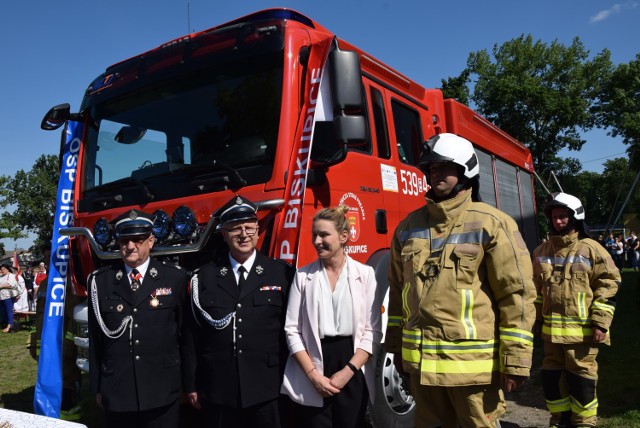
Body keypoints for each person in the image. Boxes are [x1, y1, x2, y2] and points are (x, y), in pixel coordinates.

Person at [385, 133, 536, 428]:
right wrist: (395, 349)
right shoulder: (407, 227)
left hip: (472, 371)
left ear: (465, 170)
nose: (435, 172)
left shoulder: (492, 223)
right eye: (431, 167)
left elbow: (516, 295)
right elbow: (397, 293)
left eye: (443, 166)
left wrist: (516, 360)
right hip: (422, 368)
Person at [182, 195, 294, 428]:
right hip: (220, 388)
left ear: (258, 230)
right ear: (224, 234)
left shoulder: (281, 274)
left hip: (268, 386)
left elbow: (291, 331)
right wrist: (192, 384)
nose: (244, 234)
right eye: (235, 229)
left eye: (249, 227)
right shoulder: (203, 278)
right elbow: (192, 336)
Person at [281, 206, 382, 428]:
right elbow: (292, 330)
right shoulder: (302, 276)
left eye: (324, 234)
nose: (317, 241)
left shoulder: (365, 275)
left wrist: (348, 372)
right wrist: (313, 375)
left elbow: (372, 331)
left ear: (343, 236)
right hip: (314, 362)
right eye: (314, 235)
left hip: (351, 362)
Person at [87, 209, 189, 428]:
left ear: (151, 241)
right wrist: (97, 387)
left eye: (138, 240)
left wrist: (189, 384)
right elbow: (96, 340)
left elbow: (185, 336)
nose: (130, 246)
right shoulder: (100, 281)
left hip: (162, 387)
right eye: (124, 240)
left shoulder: (176, 277)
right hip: (118, 389)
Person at [532, 193, 620, 428]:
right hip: (551, 335)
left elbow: (608, 285)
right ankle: (559, 421)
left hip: (583, 335)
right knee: (552, 380)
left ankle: (584, 423)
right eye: (554, 217)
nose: (558, 222)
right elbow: (537, 290)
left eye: (562, 217)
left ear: (575, 217)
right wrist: (535, 321)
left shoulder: (592, 249)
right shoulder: (541, 251)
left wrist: (600, 322)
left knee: (581, 381)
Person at [0, 264, 20, 333]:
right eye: (1, 269)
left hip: (8, 296)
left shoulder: (11, 276)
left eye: (3, 269)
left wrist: (1, 286)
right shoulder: (1, 276)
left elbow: (10, 284)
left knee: (9, 311)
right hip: (1, 296)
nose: (2, 271)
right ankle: (4, 324)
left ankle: (9, 326)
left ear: (7, 269)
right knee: (3, 311)